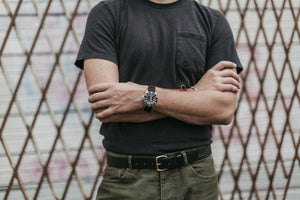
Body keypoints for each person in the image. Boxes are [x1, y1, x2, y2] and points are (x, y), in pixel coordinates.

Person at [75, 0, 243, 199]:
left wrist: (142, 96)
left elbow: (222, 110)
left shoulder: (213, 21)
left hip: (195, 177)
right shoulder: (107, 14)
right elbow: (108, 107)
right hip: (128, 179)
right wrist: (195, 93)